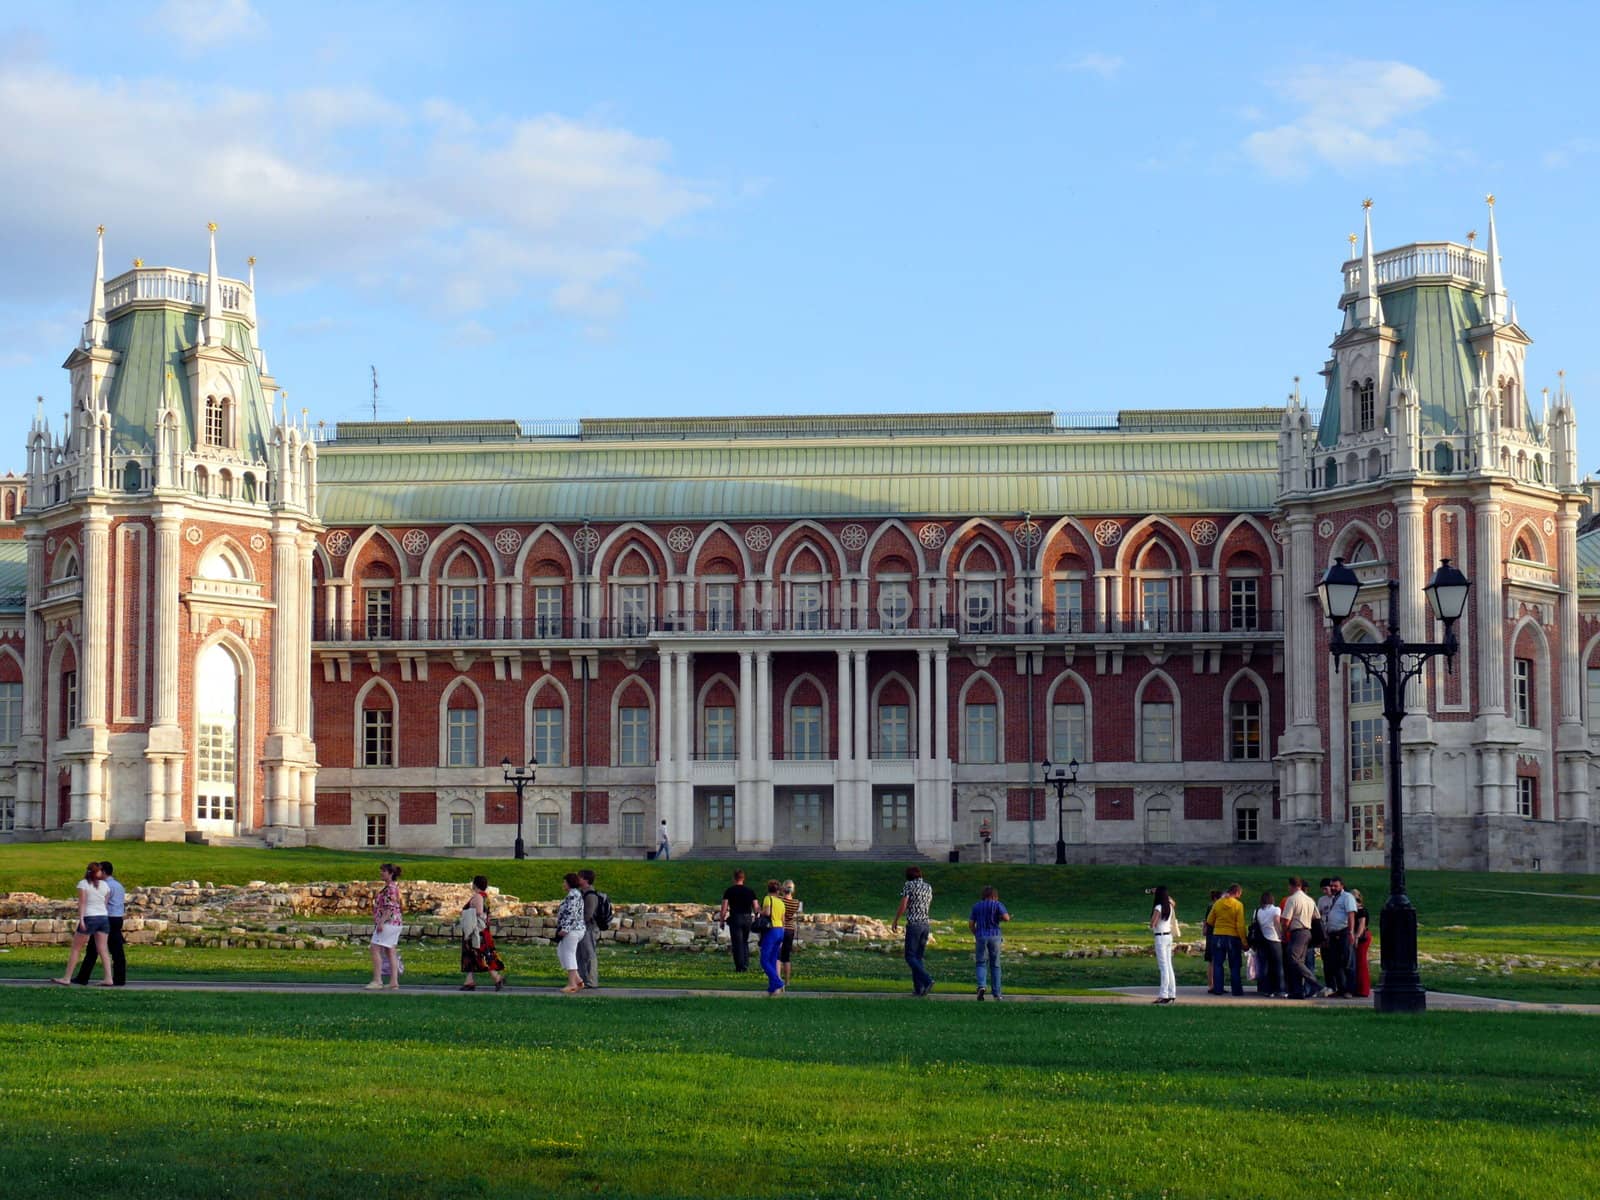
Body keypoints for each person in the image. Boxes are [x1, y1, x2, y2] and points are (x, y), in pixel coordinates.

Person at [53, 862, 115, 987]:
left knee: (76, 948)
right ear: (98, 872)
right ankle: (108, 978)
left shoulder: (83, 884)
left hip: (89, 917)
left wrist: (81, 919)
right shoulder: (105, 885)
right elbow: (105, 902)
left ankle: (67, 977)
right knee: (103, 949)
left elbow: (82, 903)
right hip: (103, 917)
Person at [71, 860, 126, 987]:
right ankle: (119, 977)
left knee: (92, 949)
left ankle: (83, 977)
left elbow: (101, 903)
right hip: (118, 918)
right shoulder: (119, 885)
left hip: (106, 918)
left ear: (104, 872)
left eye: (100, 870)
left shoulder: (104, 885)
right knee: (117, 951)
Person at [891, 865, 935, 996]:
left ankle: (927, 980)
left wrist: (896, 920)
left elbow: (904, 904)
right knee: (918, 957)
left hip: (914, 924)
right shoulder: (928, 887)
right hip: (925, 924)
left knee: (909, 956)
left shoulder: (909, 885)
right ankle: (919, 989)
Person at [459, 874, 506, 992]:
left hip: (476, 931)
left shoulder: (477, 897)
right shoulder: (486, 897)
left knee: (481, 954)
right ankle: (469, 981)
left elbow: (479, 912)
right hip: (482, 930)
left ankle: (497, 977)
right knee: (472, 955)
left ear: (475, 884)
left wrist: (469, 913)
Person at [365, 863, 404, 991]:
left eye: (383, 871)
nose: (381, 873)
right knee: (390, 950)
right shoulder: (393, 887)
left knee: (375, 948)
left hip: (388, 922)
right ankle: (394, 982)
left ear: (390, 873)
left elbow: (389, 908)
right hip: (395, 923)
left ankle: (377, 980)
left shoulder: (389, 889)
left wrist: (381, 922)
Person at [1279, 876, 1320, 1000]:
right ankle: (1297, 991)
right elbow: (1316, 917)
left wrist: (1283, 932)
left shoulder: (1292, 899)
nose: (1288, 888)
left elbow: (1286, 920)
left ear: (1293, 886)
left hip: (1297, 932)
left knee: (1293, 959)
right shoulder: (1310, 900)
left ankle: (1314, 983)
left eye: (1289, 886)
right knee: (1298, 962)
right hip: (1307, 931)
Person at [1204, 884, 1247, 996]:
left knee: (1218, 964)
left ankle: (1218, 989)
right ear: (1237, 893)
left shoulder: (1218, 903)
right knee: (1235, 964)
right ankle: (1236, 990)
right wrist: (1244, 941)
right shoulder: (1238, 905)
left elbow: (1209, 920)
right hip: (1233, 937)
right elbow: (1240, 925)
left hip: (1218, 935)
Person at [970, 885, 1010, 1000]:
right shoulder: (997, 904)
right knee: (995, 965)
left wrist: (976, 934)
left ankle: (982, 986)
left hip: (981, 935)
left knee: (981, 962)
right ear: (995, 896)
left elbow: (971, 924)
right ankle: (997, 994)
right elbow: (1006, 918)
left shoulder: (976, 906)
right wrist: (1000, 918)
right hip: (995, 936)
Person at [1322, 876, 1359, 997]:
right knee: (1335, 963)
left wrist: (1351, 931)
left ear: (1342, 886)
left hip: (1344, 932)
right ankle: (1341, 988)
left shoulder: (1347, 897)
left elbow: (1351, 915)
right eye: (1332, 885)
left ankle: (1349, 990)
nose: (1333, 888)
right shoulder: (1334, 898)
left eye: (1335, 886)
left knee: (1347, 962)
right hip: (1333, 934)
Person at [718, 869, 758, 972]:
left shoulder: (729, 891)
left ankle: (740, 966)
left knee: (737, 943)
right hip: (747, 917)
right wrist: (757, 917)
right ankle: (745, 963)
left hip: (736, 917)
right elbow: (756, 907)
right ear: (743, 878)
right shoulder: (750, 891)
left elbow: (724, 908)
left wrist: (722, 921)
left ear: (734, 878)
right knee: (745, 941)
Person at [555, 873, 588, 993]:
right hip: (575, 929)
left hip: (573, 930)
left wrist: (565, 929)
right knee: (561, 952)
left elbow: (572, 913)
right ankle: (578, 980)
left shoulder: (573, 895)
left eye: (564, 882)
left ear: (569, 883)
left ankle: (572, 984)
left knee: (569, 955)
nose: (563, 884)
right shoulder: (573, 894)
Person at [757, 879, 787, 996]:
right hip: (780, 931)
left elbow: (767, 913)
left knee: (764, 960)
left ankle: (778, 982)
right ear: (778, 890)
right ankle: (772, 987)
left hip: (771, 930)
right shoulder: (781, 902)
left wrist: (760, 910)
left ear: (768, 889)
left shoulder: (767, 898)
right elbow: (784, 920)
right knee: (773, 960)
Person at [1149, 885, 1179, 1004]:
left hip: (1160, 937)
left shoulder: (1159, 907)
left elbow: (1153, 923)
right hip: (1168, 936)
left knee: (1163, 967)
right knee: (1169, 966)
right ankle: (1172, 993)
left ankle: (1163, 994)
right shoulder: (1170, 906)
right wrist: (1162, 893)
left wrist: (1151, 923)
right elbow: (1173, 901)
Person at [1253, 889, 1284, 998]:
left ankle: (1266, 989)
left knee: (1264, 965)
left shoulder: (1257, 911)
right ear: (1272, 899)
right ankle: (1280, 989)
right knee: (1278, 965)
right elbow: (1276, 921)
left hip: (1262, 941)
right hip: (1274, 940)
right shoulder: (1276, 909)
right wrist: (1280, 934)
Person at [576, 868, 601, 990]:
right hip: (582, 928)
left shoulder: (590, 895)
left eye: (579, 877)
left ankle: (591, 980)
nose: (577, 879)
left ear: (585, 879)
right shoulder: (582, 893)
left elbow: (588, 914)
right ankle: (582, 979)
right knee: (580, 954)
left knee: (589, 954)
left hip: (589, 928)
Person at [778, 879, 802, 986]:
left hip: (780, 928)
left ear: (783, 889)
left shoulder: (780, 900)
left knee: (778, 956)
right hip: (790, 930)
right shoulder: (796, 903)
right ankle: (787, 981)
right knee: (786, 957)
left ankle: (778, 979)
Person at [1351, 888, 1372, 998]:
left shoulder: (1361, 910)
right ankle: (1359, 988)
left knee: (1361, 962)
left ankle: (1363, 989)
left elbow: (1361, 925)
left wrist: (1357, 937)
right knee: (1358, 963)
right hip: (1360, 936)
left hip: (1362, 937)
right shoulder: (1358, 909)